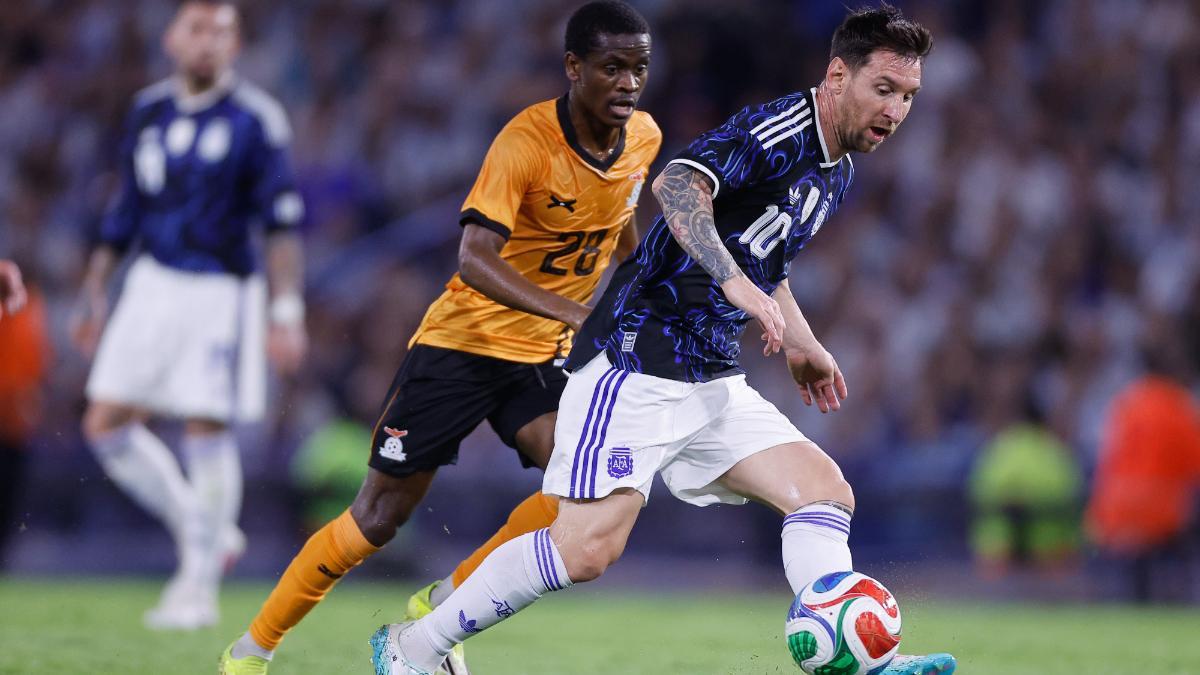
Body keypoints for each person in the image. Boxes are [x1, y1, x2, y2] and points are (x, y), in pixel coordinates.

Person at [373, 5, 957, 675]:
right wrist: (736, 284)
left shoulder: (837, 169)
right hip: (636, 356)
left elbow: (767, 260)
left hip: (707, 373)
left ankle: (850, 658)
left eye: (908, 95)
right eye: (884, 88)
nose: (897, 108)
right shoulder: (782, 129)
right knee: (586, 548)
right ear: (836, 75)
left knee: (823, 490)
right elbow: (677, 182)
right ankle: (412, 648)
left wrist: (801, 339)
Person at [220, 2, 659, 672]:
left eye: (639, 67)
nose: (629, 82)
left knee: (583, 486)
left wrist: (641, 286)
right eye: (613, 67)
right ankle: (251, 649)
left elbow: (620, 223)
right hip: (462, 344)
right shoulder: (525, 142)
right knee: (377, 518)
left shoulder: (645, 140)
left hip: (541, 358)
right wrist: (575, 314)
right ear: (574, 68)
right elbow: (474, 259)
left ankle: (446, 599)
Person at [70, 0, 307, 630]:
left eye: (223, 32)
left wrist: (286, 308)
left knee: (206, 427)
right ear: (173, 39)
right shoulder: (147, 110)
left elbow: (281, 223)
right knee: (104, 424)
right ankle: (207, 532)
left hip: (221, 290)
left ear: (236, 45)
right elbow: (122, 212)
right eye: (198, 29)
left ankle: (198, 585)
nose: (209, 42)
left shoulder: (257, 119)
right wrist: (96, 289)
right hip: (150, 283)